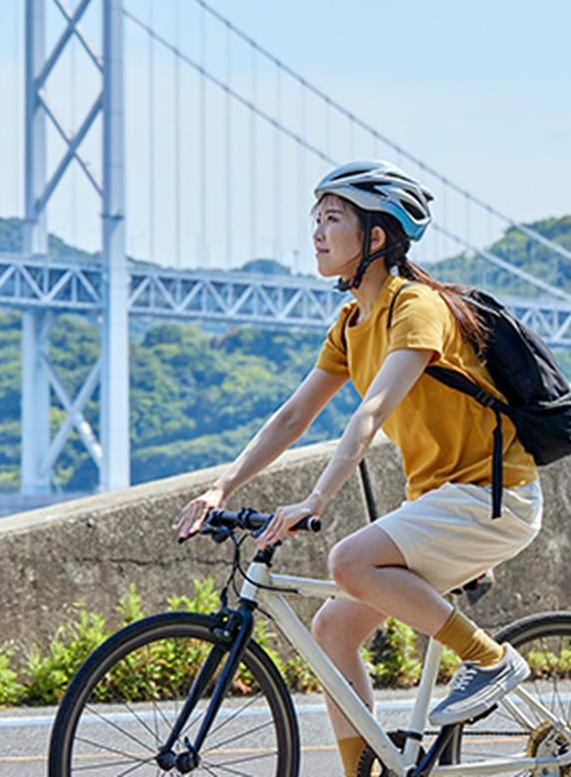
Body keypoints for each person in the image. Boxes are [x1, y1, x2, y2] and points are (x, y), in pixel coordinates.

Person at [175, 160, 543, 777]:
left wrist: (315, 500)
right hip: (440, 503)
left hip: (490, 498)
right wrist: (221, 487)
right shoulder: (351, 324)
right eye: (315, 219)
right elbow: (293, 417)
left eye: (333, 218)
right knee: (333, 629)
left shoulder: (417, 307)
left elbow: (372, 411)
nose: (317, 232)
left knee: (347, 560)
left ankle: (488, 659)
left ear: (376, 237)